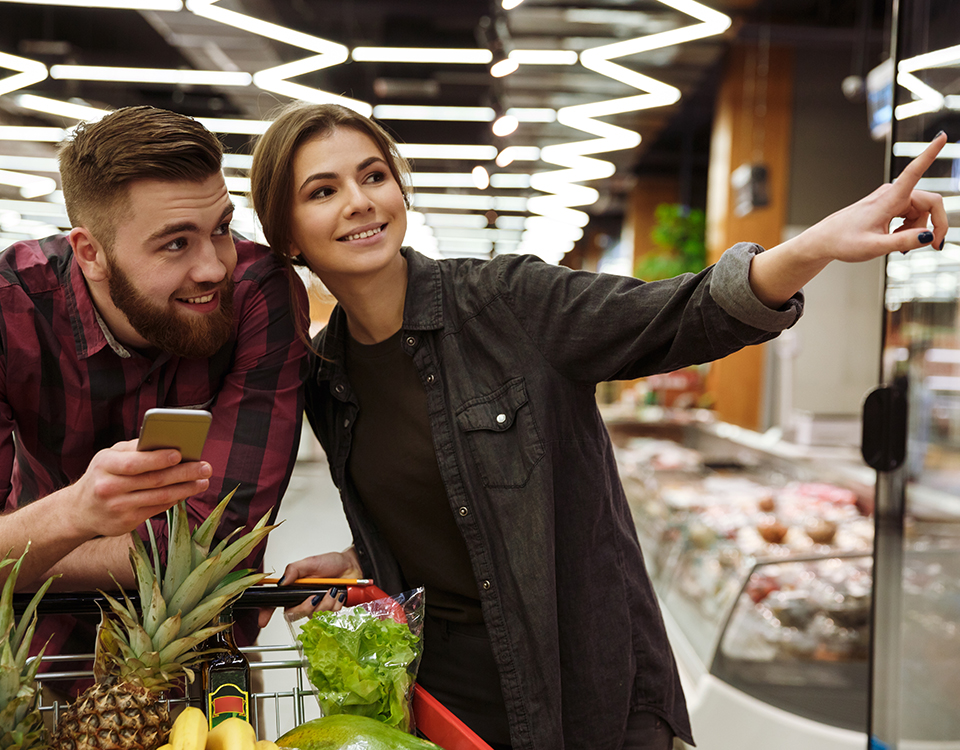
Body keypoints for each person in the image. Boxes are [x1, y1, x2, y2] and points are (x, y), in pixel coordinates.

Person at [249, 101, 947, 750]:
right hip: (444, 702)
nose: (360, 201)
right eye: (323, 191)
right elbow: (444, 500)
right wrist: (368, 556)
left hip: (587, 696)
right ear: (288, 237)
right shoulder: (324, 377)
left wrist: (816, 244)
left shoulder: (507, 302)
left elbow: (681, 314)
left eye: (374, 176)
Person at [0, 105, 308, 662]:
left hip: (197, 655)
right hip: (41, 652)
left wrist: (35, 547)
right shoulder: (11, 309)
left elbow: (217, 543)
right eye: (175, 243)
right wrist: (74, 513)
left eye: (221, 229)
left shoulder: (259, 293)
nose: (214, 266)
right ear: (90, 252)